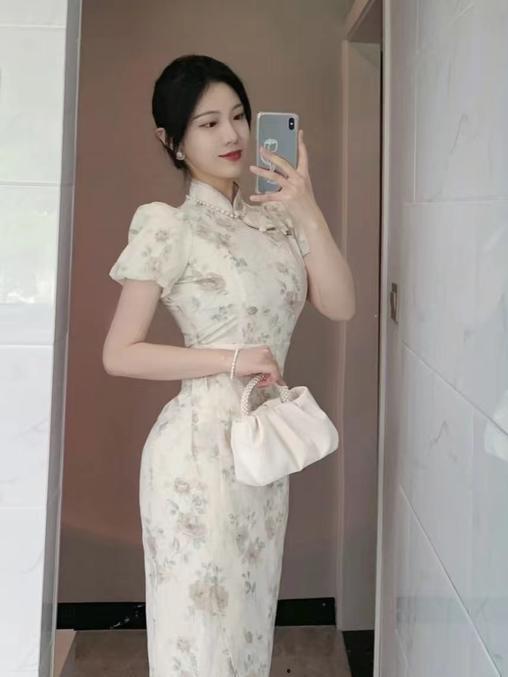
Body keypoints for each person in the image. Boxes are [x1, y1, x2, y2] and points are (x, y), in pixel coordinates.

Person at [102, 53, 355, 676]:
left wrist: (307, 207)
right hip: (197, 454)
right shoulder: (169, 227)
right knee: (203, 639)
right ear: (172, 141)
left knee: (246, 631)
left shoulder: (277, 220)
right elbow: (120, 353)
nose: (232, 134)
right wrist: (232, 357)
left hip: (263, 453)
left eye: (239, 116)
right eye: (208, 123)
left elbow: (341, 304)